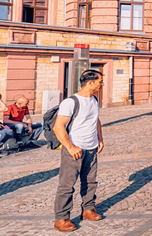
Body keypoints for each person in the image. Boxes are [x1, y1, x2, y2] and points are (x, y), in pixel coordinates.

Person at [52, 69, 105, 232]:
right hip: (74, 148)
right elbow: (58, 126)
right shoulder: (71, 102)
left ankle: (88, 209)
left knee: (90, 181)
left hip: (91, 147)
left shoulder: (94, 100)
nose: (101, 84)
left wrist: (100, 138)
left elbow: (96, 119)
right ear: (90, 83)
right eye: (100, 81)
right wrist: (70, 146)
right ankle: (61, 218)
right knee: (67, 185)